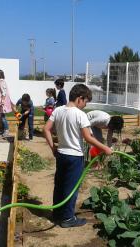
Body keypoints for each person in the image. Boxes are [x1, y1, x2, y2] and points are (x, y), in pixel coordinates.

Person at [43, 84, 112, 228]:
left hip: (61, 154)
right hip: (74, 157)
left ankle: (57, 213)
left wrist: (53, 148)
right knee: (72, 188)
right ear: (80, 98)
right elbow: (88, 138)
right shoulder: (80, 114)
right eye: (86, 101)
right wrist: (105, 147)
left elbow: (46, 129)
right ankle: (68, 218)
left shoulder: (58, 110)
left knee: (60, 184)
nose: (85, 105)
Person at [0, 69, 14, 137]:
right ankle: (3, 130)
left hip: (2, 104)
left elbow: (4, 92)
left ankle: (6, 130)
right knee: (1, 117)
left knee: (3, 117)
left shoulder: (1, 82)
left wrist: (2, 101)